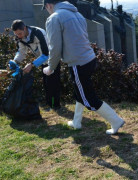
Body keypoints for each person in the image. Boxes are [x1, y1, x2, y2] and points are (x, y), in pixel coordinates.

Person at [42, 0, 125, 135]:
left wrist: (50, 67)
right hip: (89, 58)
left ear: (48, 5)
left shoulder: (54, 18)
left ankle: (115, 120)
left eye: (46, 8)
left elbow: (54, 47)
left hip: (77, 63)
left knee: (88, 98)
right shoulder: (77, 14)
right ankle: (76, 122)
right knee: (80, 92)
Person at [11, 19, 61, 110]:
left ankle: (55, 105)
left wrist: (32, 65)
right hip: (42, 61)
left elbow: (46, 54)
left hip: (53, 59)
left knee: (52, 83)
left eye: (20, 33)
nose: (18, 36)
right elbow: (21, 52)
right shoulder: (20, 38)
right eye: (16, 34)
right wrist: (15, 62)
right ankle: (50, 104)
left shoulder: (38, 33)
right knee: (46, 83)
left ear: (25, 28)